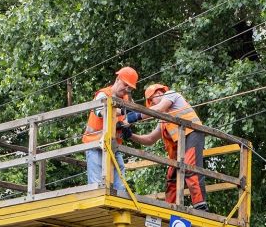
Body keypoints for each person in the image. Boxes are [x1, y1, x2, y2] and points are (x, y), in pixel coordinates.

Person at [129, 83, 208, 212]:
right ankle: (170, 206)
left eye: (151, 102)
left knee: (190, 167)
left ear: (158, 94)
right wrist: (130, 135)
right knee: (172, 175)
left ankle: (200, 204)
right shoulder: (164, 119)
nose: (152, 105)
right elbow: (150, 139)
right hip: (181, 145)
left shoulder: (171, 94)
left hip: (193, 133)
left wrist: (136, 116)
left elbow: (159, 108)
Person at [82, 66, 138, 192]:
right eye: (125, 85)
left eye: (130, 88)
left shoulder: (126, 100)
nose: (126, 89)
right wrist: (123, 111)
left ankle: (119, 203)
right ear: (117, 79)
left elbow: (131, 115)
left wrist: (126, 124)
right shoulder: (103, 94)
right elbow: (102, 111)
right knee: (97, 184)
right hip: (95, 143)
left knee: (120, 184)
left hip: (113, 146)